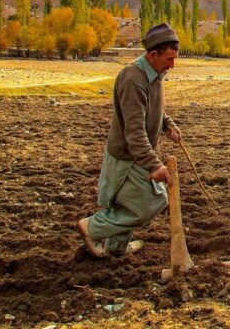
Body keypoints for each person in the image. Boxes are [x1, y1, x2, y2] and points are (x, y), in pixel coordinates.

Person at [78, 23, 182, 258]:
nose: (172, 65)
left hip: (139, 152)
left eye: (174, 59)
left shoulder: (155, 74)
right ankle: (92, 227)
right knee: (150, 204)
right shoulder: (133, 78)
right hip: (128, 156)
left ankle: (115, 249)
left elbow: (153, 109)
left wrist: (168, 125)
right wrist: (154, 165)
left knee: (128, 204)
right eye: (169, 59)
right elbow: (134, 130)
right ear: (152, 54)